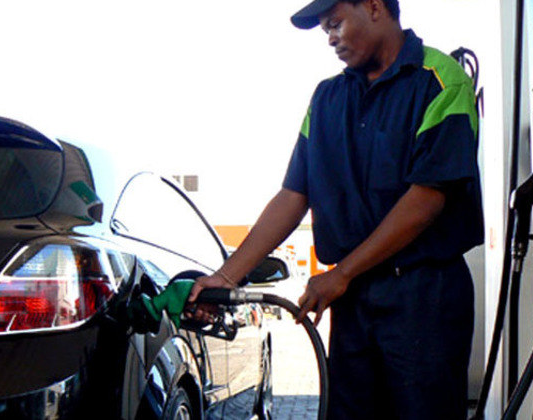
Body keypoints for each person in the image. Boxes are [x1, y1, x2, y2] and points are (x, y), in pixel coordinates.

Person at [188, 0, 483, 418]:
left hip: (424, 296)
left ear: (375, 7)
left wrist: (341, 274)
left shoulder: (440, 81)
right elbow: (293, 195)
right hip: (355, 300)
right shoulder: (327, 98)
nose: (330, 39)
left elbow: (427, 200)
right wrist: (225, 277)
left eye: (336, 24)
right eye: (326, 29)